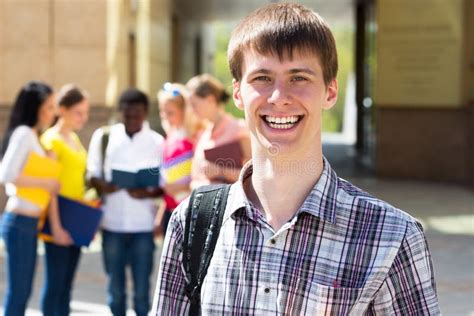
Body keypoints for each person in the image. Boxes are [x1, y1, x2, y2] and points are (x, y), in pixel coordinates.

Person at [153, 3, 440, 315]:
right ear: (238, 93)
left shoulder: (393, 237)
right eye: (262, 77)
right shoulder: (191, 222)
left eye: (298, 77)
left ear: (330, 92)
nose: (279, 97)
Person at [86, 88, 164, 316]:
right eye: (127, 115)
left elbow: (164, 183)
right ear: (121, 113)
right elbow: (91, 173)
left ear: (145, 113)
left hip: (143, 226)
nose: (131, 120)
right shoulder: (104, 137)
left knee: (142, 292)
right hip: (112, 224)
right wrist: (103, 185)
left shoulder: (157, 142)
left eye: (137, 115)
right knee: (115, 290)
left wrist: (147, 193)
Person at [0, 81, 59, 315]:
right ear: (35, 107)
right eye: (49, 107)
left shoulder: (35, 135)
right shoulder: (24, 133)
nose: (52, 113)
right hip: (20, 223)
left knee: (23, 292)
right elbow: (6, 174)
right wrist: (47, 182)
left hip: (29, 223)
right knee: (19, 293)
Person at [39, 84, 90, 316]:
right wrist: (56, 227)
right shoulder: (51, 140)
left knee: (67, 285)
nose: (84, 117)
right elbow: (50, 189)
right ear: (62, 109)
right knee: (55, 285)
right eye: (78, 112)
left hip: (77, 218)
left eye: (86, 112)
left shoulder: (75, 139)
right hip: (57, 218)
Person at [186, 74, 250, 189]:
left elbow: (254, 176)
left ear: (210, 100)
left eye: (194, 104)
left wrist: (220, 171)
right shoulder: (203, 134)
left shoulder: (239, 129)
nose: (192, 110)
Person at [155, 82, 201, 235]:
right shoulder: (169, 138)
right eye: (162, 111)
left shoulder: (195, 137)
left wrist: (182, 188)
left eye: (170, 112)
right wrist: (159, 217)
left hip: (191, 211)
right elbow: (168, 179)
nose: (165, 116)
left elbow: (203, 175)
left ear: (184, 111)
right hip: (171, 210)